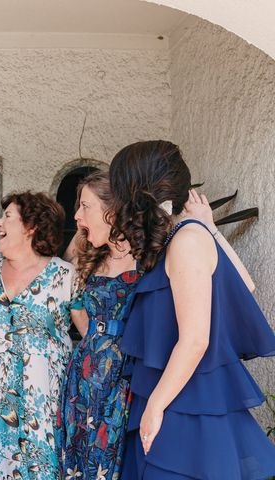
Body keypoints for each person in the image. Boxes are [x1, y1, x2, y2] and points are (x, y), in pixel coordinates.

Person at [109, 140, 275, 479]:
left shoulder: (186, 240)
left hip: (184, 403)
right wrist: (210, 228)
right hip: (174, 394)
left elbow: (195, 339)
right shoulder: (179, 239)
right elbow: (244, 285)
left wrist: (155, 407)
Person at [0, 191, 77, 479]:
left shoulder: (65, 275)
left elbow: (90, 333)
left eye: (7, 217)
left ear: (31, 227)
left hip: (43, 398)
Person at [58, 171, 140, 480]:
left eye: (84, 206)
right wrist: (95, 336)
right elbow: (74, 304)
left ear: (113, 209)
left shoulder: (148, 256)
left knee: (115, 453)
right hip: (86, 371)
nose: (77, 215)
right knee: (80, 452)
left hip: (128, 370)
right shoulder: (88, 253)